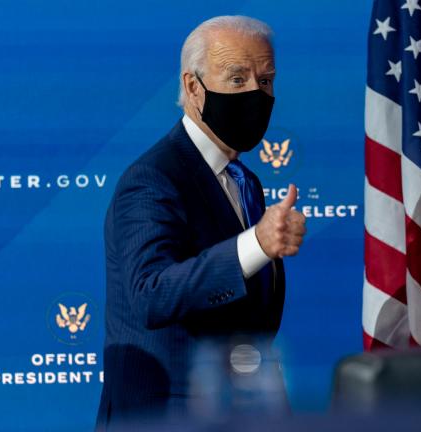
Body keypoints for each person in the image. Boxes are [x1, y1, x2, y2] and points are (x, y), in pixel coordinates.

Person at [95, 15, 307, 429]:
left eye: (265, 81)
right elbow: (150, 294)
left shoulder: (246, 182)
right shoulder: (153, 178)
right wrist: (257, 244)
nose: (255, 94)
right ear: (193, 87)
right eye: (236, 78)